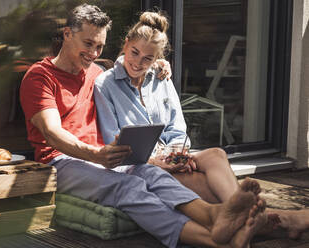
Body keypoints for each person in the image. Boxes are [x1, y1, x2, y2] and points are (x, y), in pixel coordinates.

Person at [20, 4, 268, 248]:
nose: (93, 53)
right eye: (88, 43)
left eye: (99, 46)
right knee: (129, 186)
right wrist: (95, 154)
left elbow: (128, 60)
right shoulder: (40, 76)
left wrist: (157, 63)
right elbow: (52, 134)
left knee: (150, 172)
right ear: (67, 34)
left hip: (99, 159)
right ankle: (215, 241)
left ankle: (214, 217)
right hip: (60, 162)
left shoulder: (94, 71)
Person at [93, 10, 309, 242]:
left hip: (171, 156)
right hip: (141, 166)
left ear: (157, 58)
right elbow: (113, 141)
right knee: (201, 182)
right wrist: (158, 162)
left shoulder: (160, 77)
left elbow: (177, 126)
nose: (138, 62)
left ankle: (251, 217)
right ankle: (279, 219)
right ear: (125, 44)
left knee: (216, 154)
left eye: (148, 58)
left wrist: (178, 156)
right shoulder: (105, 85)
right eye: (134, 52)